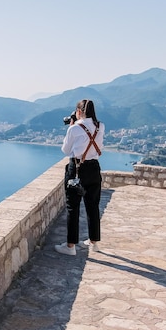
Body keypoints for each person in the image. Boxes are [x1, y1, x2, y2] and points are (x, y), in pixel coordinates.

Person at [54, 99, 105, 256]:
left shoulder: (74, 129)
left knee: (73, 207)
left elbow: (66, 150)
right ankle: (94, 242)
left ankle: (70, 246)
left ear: (79, 111)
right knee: (93, 206)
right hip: (94, 169)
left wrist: (71, 127)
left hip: (77, 169)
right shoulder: (100, 126)